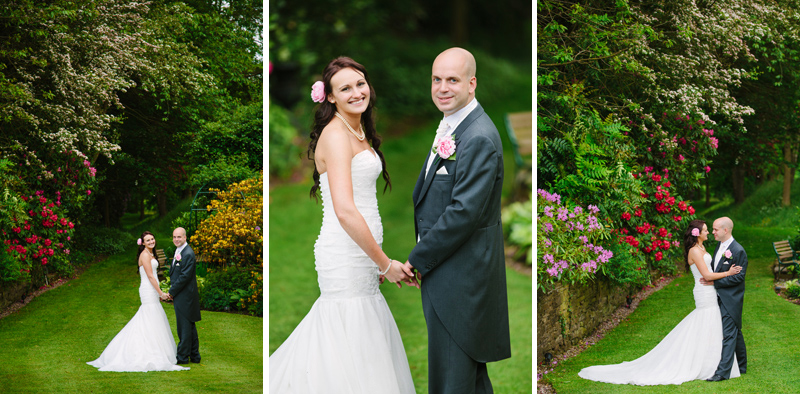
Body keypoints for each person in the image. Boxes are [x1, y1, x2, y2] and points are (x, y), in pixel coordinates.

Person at [268, 57, 416, 394]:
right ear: (330, 97)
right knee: (348, 337)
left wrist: (375, 257)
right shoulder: (336, 136)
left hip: (362, 253)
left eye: (360, 84)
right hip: (344, 254)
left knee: (362, 342)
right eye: (345, 88)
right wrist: (385, 262)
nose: (356, 92)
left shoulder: (358, 128)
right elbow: (345, 211)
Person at [402, 47, 511, 394]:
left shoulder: (477, 136)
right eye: (437, 79)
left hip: (461, 279)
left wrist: (417, 258)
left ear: (472, 83)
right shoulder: (454, 125)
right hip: (450, 273)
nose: (442, 87)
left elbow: (463, 213)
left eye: (452, 80)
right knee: (467, 380)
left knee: (453, 379)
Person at [578, 219, 742, 385]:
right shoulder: (695, 251)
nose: (709, 233)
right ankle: (702, 364)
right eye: (706, 230)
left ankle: (712, 364)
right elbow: (706, 276)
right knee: (705, 319)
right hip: (704, 292)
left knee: (710, 323)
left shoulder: (702, 248)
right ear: (697, 233)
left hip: (710, 291)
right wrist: (728, 273)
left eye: (710, 230)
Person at [87, 231, 189, 372]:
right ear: (143, 243)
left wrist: (159, 291)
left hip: (152, 289)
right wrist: (161, 293)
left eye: (152, 239)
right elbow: (150, 276)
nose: (151, 242)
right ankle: (142, 351)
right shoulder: (145, 255)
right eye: (148, 240)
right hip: (148, 290)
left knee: (153, 318)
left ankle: (156, 350)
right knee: (148, 316)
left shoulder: (151, 254)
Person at [701, 216, 748, 381]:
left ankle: (722, 372)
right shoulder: (719, 246)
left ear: (725, 230)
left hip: (731, 298)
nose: (712, 232)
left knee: (728, 334)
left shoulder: (738, 251)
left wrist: (714, 281)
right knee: (735, 330)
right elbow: (717, 269)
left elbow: (738, 278)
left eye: (715, 229)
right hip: (717, 297)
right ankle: (742, 365)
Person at [166, 227, 201, 364]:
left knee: (184, 327)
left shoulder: (187, 253)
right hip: (183, 295)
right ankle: (194, 355)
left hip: (185, 296)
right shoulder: (180, 250)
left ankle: (182, 357)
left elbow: (184, 277)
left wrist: (171, 292)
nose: (176, 239)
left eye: (179, 237)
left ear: (185, 237)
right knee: (189, 325)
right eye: (174, 237)